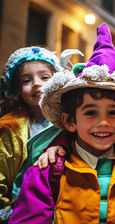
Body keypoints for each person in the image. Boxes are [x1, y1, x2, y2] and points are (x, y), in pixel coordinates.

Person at [9, 23, 115, 223]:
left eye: (113, 113)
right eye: (91, 112)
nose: (103, 122)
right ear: (70, 122)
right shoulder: (46, 171)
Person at [0, 46, 62, 213]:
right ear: (16, 90)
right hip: (21, 205)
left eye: (44, 77)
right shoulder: (9, 126)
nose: (36, 83)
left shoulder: (70, 119)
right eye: (26, 81)